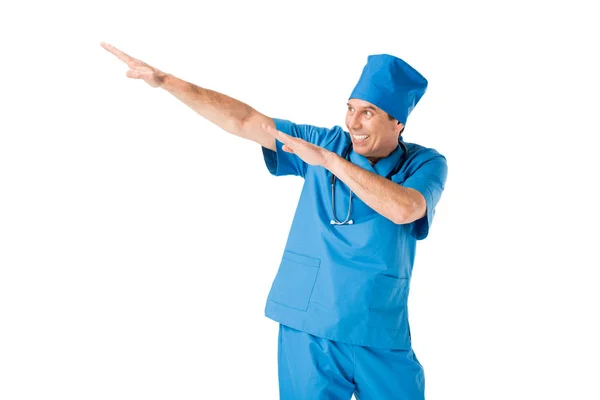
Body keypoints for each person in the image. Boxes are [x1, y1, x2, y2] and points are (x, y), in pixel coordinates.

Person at [101, 42, 448, 400]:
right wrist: (167, 81)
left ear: (398, 122)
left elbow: (405, 209)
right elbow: (246, 120)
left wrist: (329, 162)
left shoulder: (425, 164)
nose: (352, 123)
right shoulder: (324, 142)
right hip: (308, 327)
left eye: (368, 113)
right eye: (350, 109)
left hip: (378, 328)